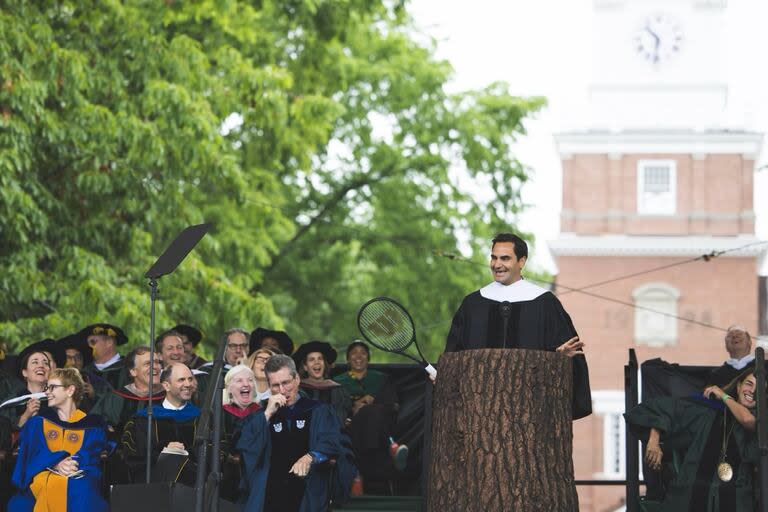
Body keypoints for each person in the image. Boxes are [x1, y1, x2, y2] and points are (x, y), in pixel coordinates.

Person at [444, 232, 592, 419]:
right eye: (494, 258)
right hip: (479, 413)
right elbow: (453, 356)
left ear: (521, 262)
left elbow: (569, 361)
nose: (497, 264)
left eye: (505, 258)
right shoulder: (473, 304)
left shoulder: (544, 304)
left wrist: (557, 358)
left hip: (529, 413)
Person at [625, 369, 759, 511]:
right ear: (738, 386)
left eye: (759, 388)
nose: (752, 391)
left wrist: (724, 396)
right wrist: (654, 439)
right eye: (749, 384)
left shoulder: (761, 426)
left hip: (737, 502)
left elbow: (748, 419)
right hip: (690, 499)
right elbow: (659, 408)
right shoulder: (708, 411)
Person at [237, 355, 355, 512]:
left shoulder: (318, 410)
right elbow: (244, 445)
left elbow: (333, 441)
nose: (282, 391)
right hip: (268, 492)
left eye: (286, 383)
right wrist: (267, 415)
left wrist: (311, 457)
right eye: (275, 386)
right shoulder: (261, 416)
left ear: (297, 379)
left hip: (308, 489)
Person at [8, 368, 109, 512]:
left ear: (70, 390)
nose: (47, 392)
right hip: (42, 473)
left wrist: (71, 464)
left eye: (53, 387)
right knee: (37, 490)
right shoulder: (38, 422)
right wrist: (55, 462)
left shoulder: (92, 425)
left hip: (79, 473)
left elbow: (91, 453)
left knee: (82, 487)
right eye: (47, 387)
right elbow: (30, 452)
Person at [120, 363, 215, 484]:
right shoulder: (143, 419)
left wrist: (185, 453)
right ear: (166, 385)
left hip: (194, 489)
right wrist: (164, 452)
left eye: (190, 379)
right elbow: (135, 456)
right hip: (155, 490)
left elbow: (214, 453)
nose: (188, 384)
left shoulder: (204, 418)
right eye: (181, 380)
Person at [333, 341, 407, 483]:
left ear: (368, 358)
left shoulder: (382, 379)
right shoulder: (338, 382)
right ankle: (392, 447)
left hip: (378, 427)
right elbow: (336, 409)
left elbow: (394, 406)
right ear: (348, 359)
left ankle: (358, 474)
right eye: (354, 353)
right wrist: (354, 406)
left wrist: (373, 403)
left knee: (372, 411)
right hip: (352, 427)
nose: (358, 356)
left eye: (363, 353)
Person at [1, 340, 65, 431]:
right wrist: (27, 414)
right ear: (25, 372)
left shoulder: (59, 400)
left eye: (45, 363)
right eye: (35, 362)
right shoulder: (12, 403)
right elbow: (6, 436)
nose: (41, 366)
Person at [221, 364, 261, 501]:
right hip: (227, 477)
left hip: (256, 475)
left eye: (250, 380)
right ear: (229, 389)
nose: (246, 384)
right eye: (239, 381)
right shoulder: (219, 414)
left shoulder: (264, 413)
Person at [293, 341, 351, 424]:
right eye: (311, 359)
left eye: (320, 359)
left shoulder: (338, 389)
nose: (317, 362)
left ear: (324, 364)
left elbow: (341, 416)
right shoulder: (297, 390)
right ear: (305, 367)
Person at [78, 323, 129, 395]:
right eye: (87, 344)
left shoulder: (129, 370)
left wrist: (95, 393)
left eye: (93, 342)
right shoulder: (84, 372)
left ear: (109, 342)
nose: (89, 347)